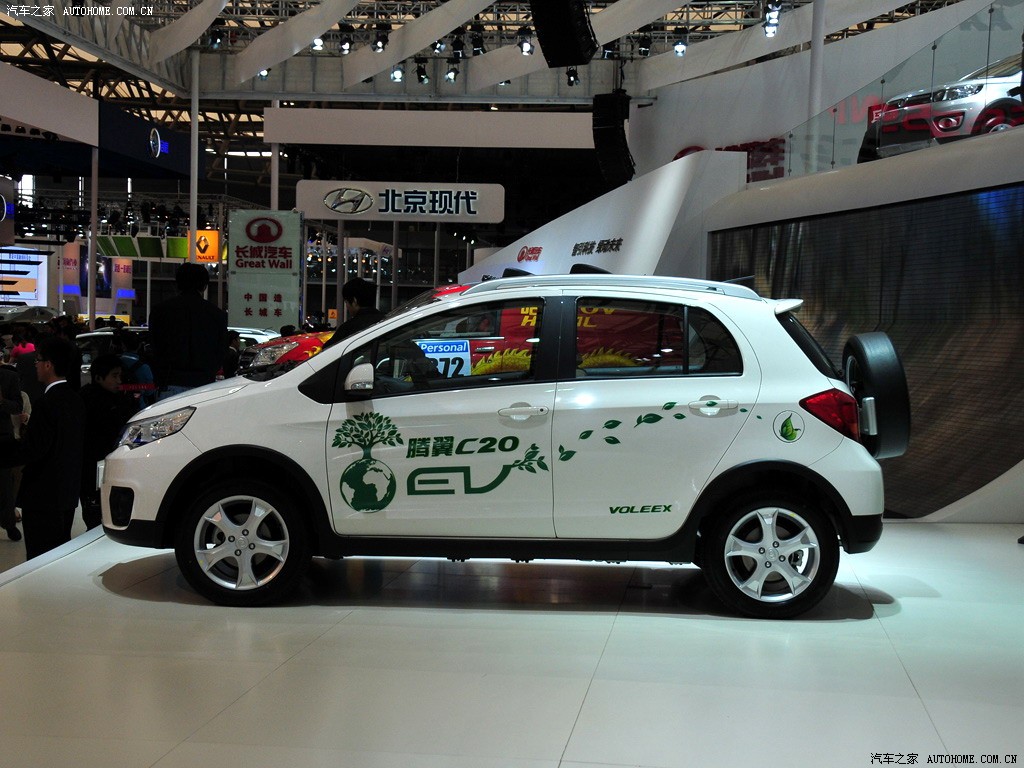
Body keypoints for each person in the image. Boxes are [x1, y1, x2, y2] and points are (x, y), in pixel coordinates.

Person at [0, 336, 85, 560]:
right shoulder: (75, 399)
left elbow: (33, 448)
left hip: (43, 494)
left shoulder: (47, 403)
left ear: (49, 364)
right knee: (58, 554)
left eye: (38, 360)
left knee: (40, 555)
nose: (35, 365)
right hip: (66, 492)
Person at [148, 262, 228, 399]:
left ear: (178, 283)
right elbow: (221, 351)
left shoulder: (160, 311)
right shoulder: (216, 314)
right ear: (204, 286)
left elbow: (154, 347)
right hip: (204, 384)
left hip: (170, 382)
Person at [79, 354, 135, 530]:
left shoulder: (119, 399)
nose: (119, 381)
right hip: (92, 468)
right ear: (98, 378)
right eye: (114, 376)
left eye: (120, 376)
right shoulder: (87, 401)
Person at [320, 278, 385, 351]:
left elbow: (326, 350)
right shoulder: (385, 321)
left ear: (354, 301)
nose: (347, 306)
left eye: (346, 302)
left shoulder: (348, 328)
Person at [0, 350, 22, 541]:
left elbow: (17, 406)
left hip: (2, 438)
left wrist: (2, 402)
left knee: (5, 486)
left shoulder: (9, 377)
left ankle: (8, 523)